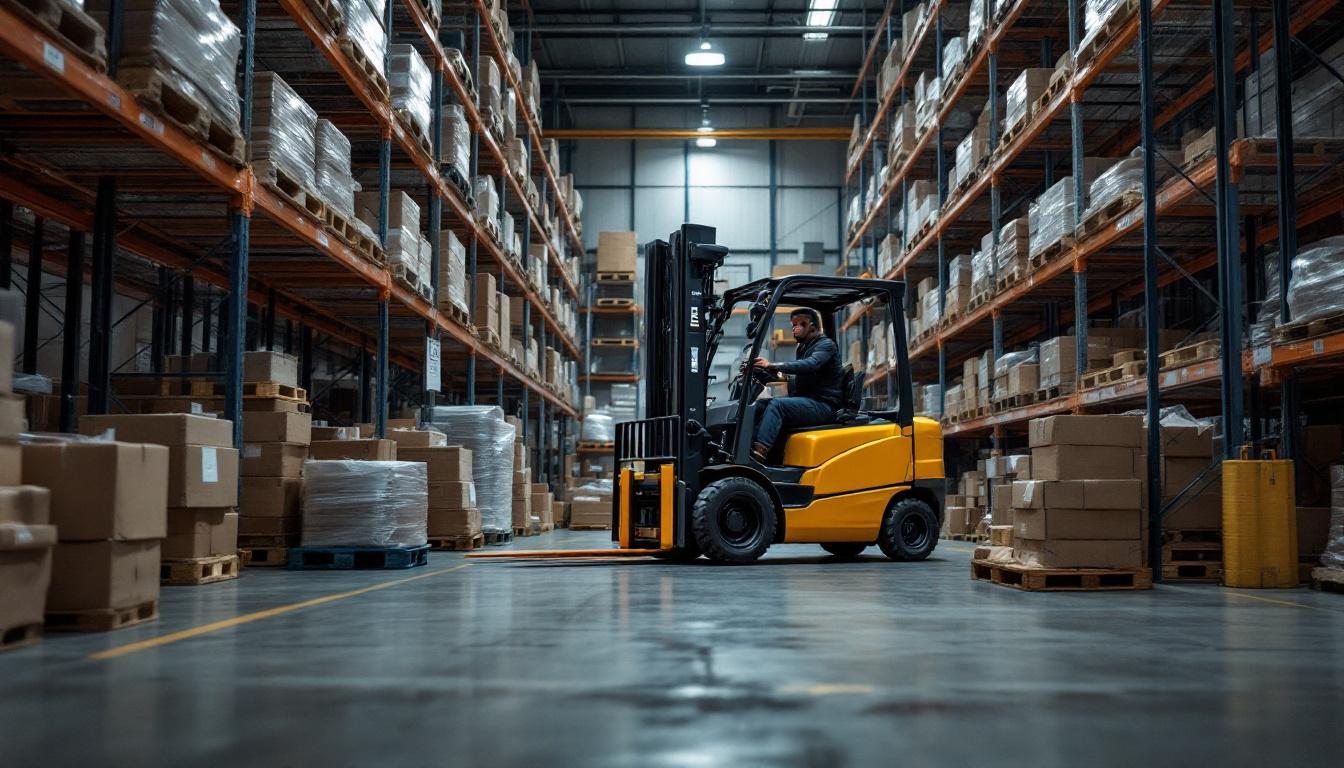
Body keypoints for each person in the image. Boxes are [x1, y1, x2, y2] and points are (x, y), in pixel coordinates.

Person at [749, 308, 844, 463]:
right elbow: (796, 374)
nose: (795, 328)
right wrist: (761, 371)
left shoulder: (826, 345)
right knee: (759, 405)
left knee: (778, 405)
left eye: (800, 324)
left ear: (812, 327)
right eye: (793, 325)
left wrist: (773, 365)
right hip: (809, 401)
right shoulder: (803, 348)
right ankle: (747, 447)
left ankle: (759, 455)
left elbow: (811, 364)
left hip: (824, 405)